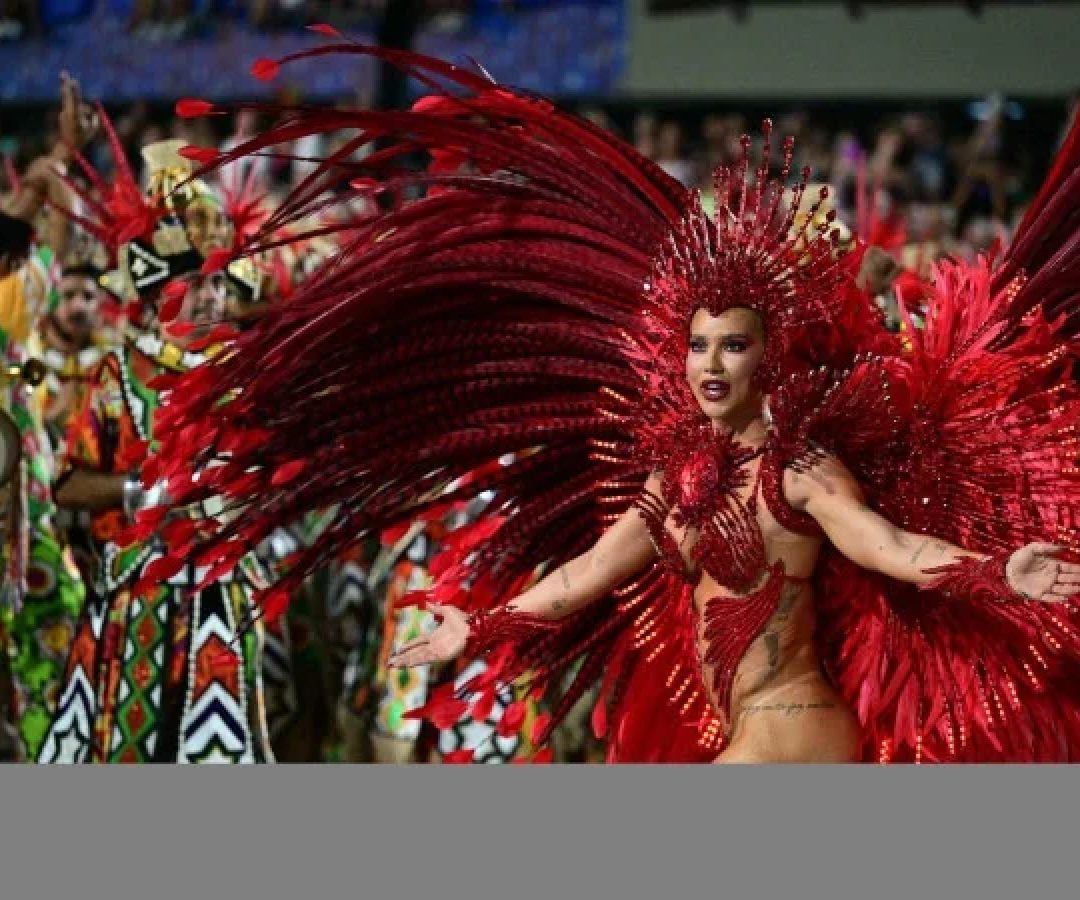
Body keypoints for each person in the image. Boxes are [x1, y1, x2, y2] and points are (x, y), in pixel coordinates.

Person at [149, 44, 1080, 763]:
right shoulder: (672, 484)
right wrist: (480, 625)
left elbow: (891, 548)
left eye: (736, 346)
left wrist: (998, 574)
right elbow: (583, 579)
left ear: (768, 359)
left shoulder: (799, 470)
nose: (712, 364)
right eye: (699, 345)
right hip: (743, 739)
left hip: (794, 738)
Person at [38, 137, 273, 763]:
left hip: (222, 597)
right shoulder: (117, 377)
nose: (210, 296)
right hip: (135, 599)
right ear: (155, 296)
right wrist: (144, 493)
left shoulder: (242, 376)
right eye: (194, 283)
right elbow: (68, 486)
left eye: (218, 281)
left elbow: (268, 473)